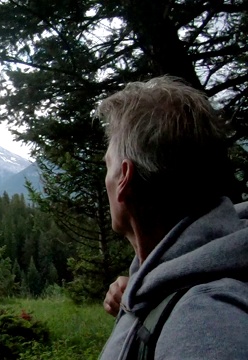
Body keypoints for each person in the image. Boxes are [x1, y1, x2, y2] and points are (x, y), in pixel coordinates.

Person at [96, 76, 248, 359]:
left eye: (108, 166)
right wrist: (146, 299)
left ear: (124, 179)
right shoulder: (174, 289)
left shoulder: (204, 322)